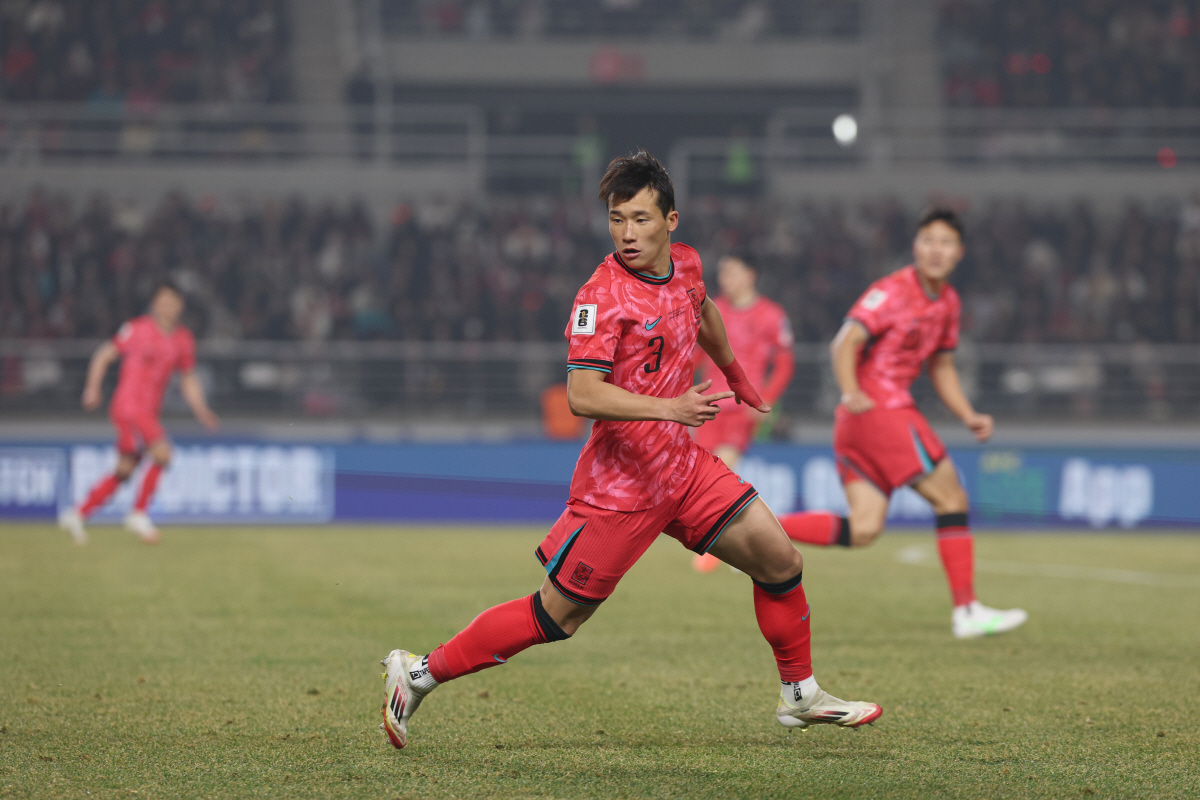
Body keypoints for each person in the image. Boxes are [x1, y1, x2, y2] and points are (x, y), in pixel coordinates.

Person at [379, 151, 881, 750]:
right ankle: (417, 674)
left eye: (641, 218)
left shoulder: (689, 265)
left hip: (682, 470)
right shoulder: (599, 296)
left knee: (781, 563)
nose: (627, 233)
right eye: (617, 219)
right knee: (555, 618)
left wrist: (736, 373)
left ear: (672, 221)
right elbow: (581, 394)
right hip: (620, 489)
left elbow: (705, 310)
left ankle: (800, 694)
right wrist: (670, 407)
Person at [774, 208, 1027, 639]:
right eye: (928, 240)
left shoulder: (947, 302)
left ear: (959, 253)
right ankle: (966, 611)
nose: (935, 249)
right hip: (878, 409)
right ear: (915, 246)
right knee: (952, 499)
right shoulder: (891, 291)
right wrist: (851, 389)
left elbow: (942, 366)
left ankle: (753, 529)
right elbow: (844, 342)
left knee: (865, 528)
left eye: (945, 242)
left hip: (861, 421)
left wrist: (968, 415)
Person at [58, 283, 219, 545]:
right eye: (163, 301)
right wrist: (92, 388)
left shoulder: (183, 340)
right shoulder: (136, 329)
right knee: (163, 453)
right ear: (154, 304)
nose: (168, 306)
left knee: (124, 469)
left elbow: (188, 380)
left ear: (181, 307)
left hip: (149, 413)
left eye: (173, 302)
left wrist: (202, 411)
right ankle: (139, 514)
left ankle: (77, 514)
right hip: (128, 407)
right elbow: (103, 355)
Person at [691, 254, 795, 573]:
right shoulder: (710, 309)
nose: (725, 279)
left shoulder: (771, 315)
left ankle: (713, 547)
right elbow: (693, 354)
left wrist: (766, 400)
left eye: (732, 272)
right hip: (707, 405)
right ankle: (746, 537)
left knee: (721, 468)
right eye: (722, 272)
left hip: (741, 408)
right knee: (701, 476)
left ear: (751, 274)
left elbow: (784, 363)